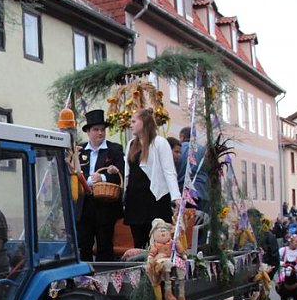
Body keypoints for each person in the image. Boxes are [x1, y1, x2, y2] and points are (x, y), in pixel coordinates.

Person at [123, 108, 180, 250]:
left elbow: (169, 171)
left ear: (144, 122)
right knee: (139, 242)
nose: (131, 124)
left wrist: (176, 196)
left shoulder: (160, 143)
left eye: (134, 121)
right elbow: (127, 173)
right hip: (135, 201)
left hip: (155, 199)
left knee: (158, 243)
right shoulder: (131, 144)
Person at [75, 109, 124, 261]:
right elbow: (74, 173)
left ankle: (105, 279)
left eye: (102, 129)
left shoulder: (114, 149)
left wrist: (102, 177)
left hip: (105, 204)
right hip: (85, 205)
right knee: (84, 244)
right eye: (96, 129)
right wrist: (88, 181)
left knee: (104, 244)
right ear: (88, 132)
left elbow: (120, 173)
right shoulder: (79, 150)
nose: (100, 133)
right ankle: (85, 280)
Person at [176, 126, 209, 213]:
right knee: (201, 222)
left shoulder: (178, 149)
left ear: (182, 136)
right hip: (202, 192)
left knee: (186, 224)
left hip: (184, 192)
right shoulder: (203, 150)